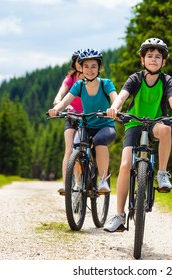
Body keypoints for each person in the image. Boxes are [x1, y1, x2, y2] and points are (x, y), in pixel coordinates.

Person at [104, 38, 172, 232]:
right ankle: (119, 216)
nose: (154, 60)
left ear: (163, 62)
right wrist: (114, 108)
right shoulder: (135, 78)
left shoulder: (166, 80)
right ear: (142, 60)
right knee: (125, 166)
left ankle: (162, 173)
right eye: (149, 56)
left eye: (158, 57)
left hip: (155, 123)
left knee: (166, 129)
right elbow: (122, 96)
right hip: (134, 122)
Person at [49, 48, 117, 193]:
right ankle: (79, 182)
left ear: (99, 67)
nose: (90, 70)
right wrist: (57, 109)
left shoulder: (106, 84)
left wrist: (114, 109)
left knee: (100, 140)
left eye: (93, 66)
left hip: (105, 126)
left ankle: (103, 180)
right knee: (76, 147)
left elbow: (115, 99)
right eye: (86, 66)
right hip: (86, 125)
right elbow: (65, 101)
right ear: (81, 68)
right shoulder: (79, 85)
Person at [53, 49, 84, 195]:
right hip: (71, 116)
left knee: (84, 148)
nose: (80, 64)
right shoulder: (71, 78)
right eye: (78, 61)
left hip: (88, 117)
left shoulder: (92, 77)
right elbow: (62, 90)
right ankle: (67, 184)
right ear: (74, 63)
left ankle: (85, 177)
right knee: (69, 149)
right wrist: (58, 100)